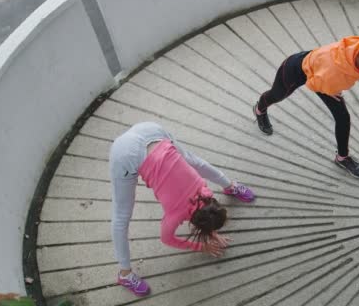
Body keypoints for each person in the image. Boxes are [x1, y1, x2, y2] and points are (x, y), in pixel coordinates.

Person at [109, 122, 254, 296]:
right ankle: (124, 275)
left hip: (150, 131)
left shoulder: (202, 187)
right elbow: (166, 239)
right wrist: (201, 246)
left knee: (193, 161)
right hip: (125, 153)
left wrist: (211, 231)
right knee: (121, 215)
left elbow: (206, 208)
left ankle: (230, 186)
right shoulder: (175, 214)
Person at [253, 36, 359, 178]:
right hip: (297, 71)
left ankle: (342, 157)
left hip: (319, 68)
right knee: (277, 95)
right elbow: (313, 85)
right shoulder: (335, 74)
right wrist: (331, 90)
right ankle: (259, 109)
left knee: (343, 118)